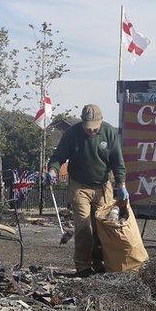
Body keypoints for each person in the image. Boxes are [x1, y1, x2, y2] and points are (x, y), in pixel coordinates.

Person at [47, 104, 127, 277]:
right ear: (82, 122)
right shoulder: (72, 134)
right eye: (87, 127)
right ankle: (83, 266)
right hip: (79, 185)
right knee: (84, 227)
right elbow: (58, 156)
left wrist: (121, 185)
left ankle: (99, 263)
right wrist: (53, 170)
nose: (91, 131)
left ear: (101, 122)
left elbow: (118, 162)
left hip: (103, 186)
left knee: (102, 227)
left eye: (94, 128)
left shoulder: (109, 133)